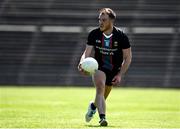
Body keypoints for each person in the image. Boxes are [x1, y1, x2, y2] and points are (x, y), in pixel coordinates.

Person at [78, 8, 132, 126]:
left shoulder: (121, 36)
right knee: (100, 88)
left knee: (102, 96)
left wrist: (119, 74)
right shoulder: (94, 34)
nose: (100, 22)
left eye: (104, 20)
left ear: (111, 21)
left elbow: (128, 57)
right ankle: (102, 118)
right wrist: (82, 62)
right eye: (99, 20)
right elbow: (86, 53)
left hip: (114, 70)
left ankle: (93, 106)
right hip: (99, 67)